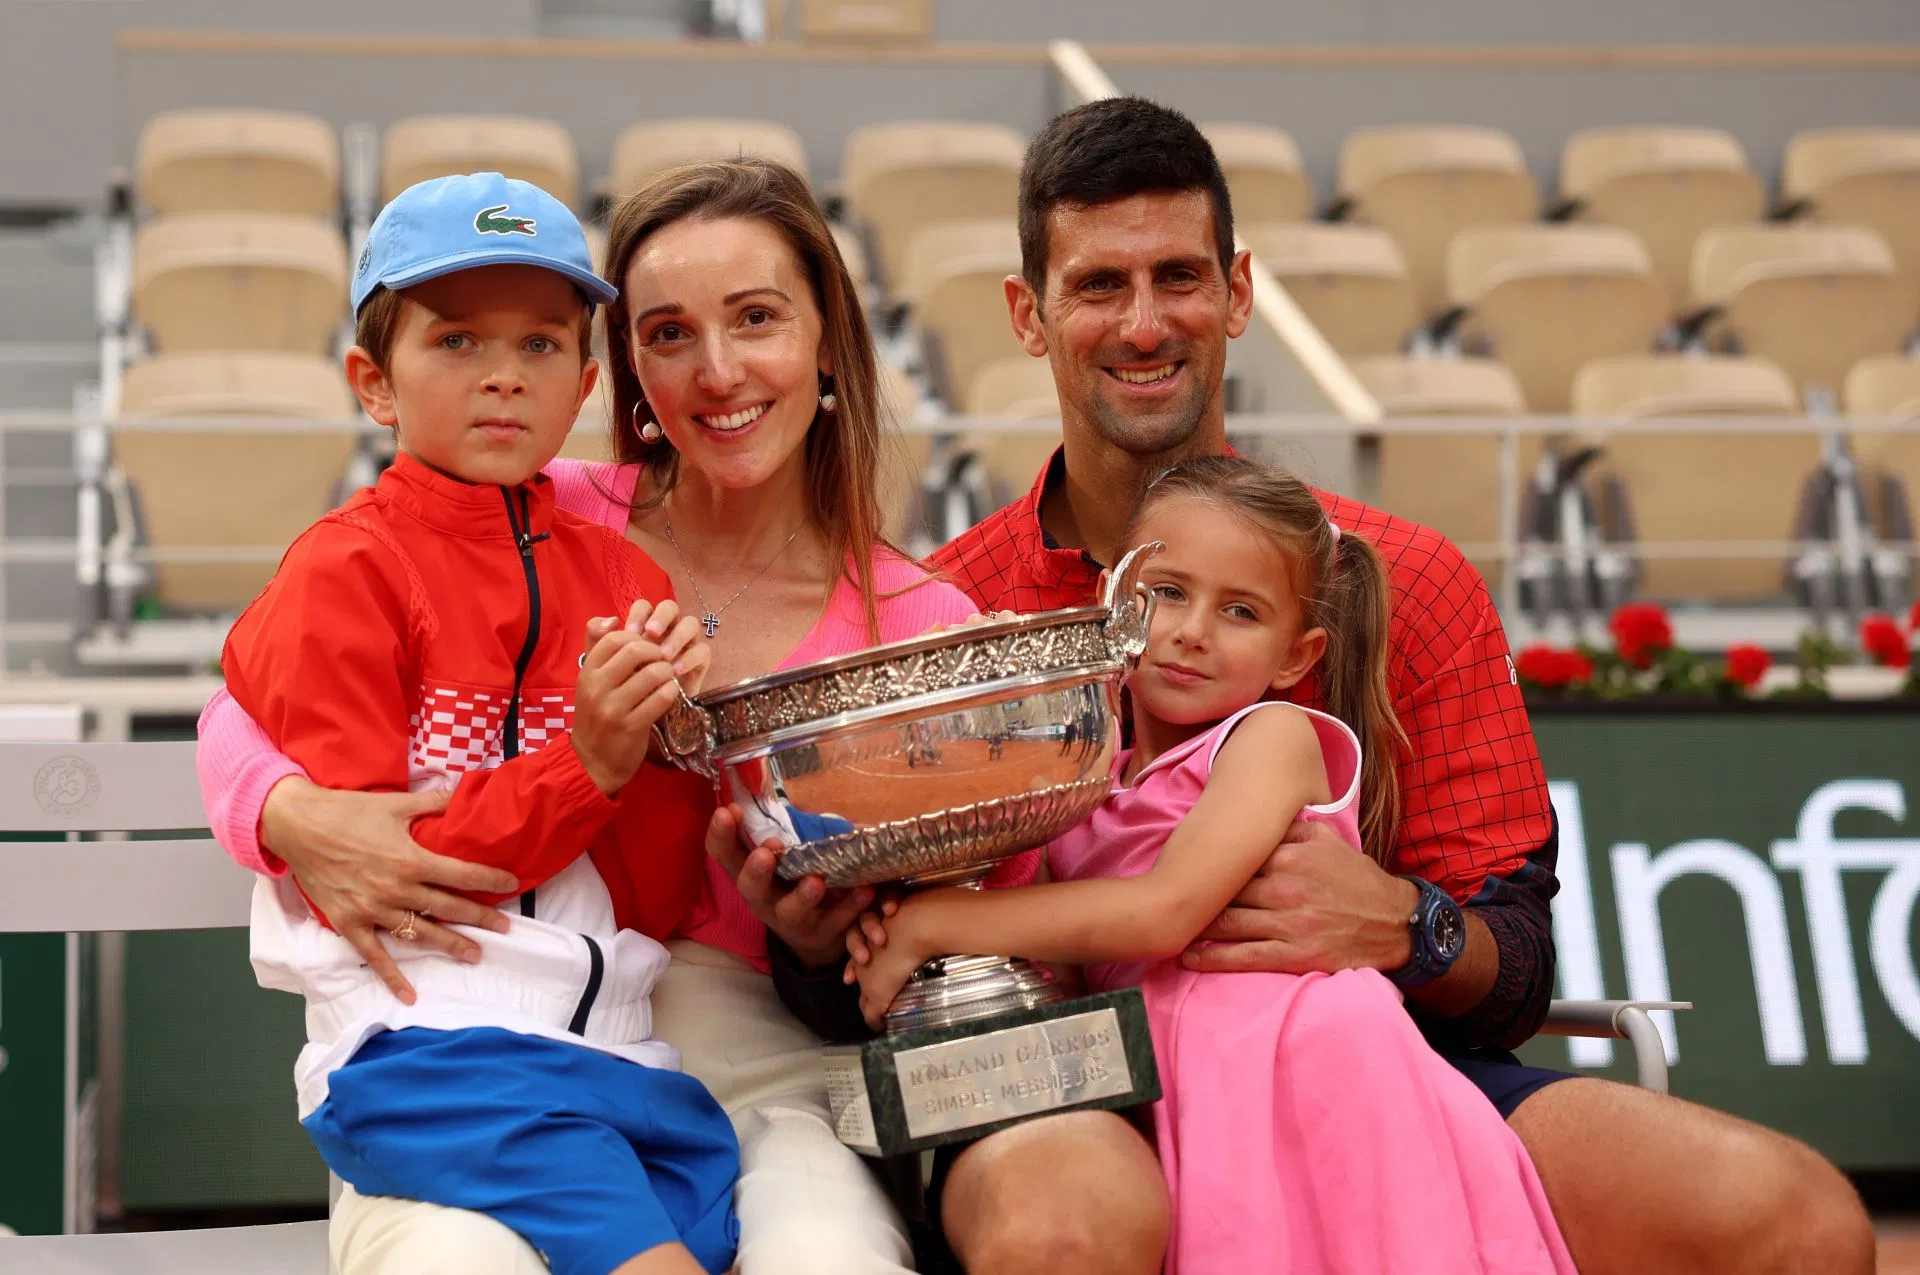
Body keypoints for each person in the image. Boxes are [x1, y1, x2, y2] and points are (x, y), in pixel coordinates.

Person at [764, 98, 1876, 1275]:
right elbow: (858, 985)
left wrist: (1403, 923)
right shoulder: (945, 605)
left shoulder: (1407, 578)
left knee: (1802, 1226)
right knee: (1063, 1231)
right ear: (1026, 315)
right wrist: (813, 940)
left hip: (1361, 1069)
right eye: (1097, 286)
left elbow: (1515, 971)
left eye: (1180, 277)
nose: (1144, 324)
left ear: (1239, 292)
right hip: (1065, 1091)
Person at [195, 159, 978, 1275]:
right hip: (461, 1028)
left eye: (757, 318)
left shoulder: (918, 619)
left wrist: (811, 937)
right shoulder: (526, 498)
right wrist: (284, 810)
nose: (717, 370)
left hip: (734, 1045)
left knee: (827, 1257)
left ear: (828, 343)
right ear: (629, 372)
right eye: (669, 333)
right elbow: (258, 688)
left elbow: (939, 927)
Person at [846, 455, 1577, 1274]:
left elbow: (1164, 913)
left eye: (1240, 611)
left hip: (1311, 1074)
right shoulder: (1088, 780)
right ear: (1113, 603)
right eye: (1167, 593)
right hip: (1182, 1087)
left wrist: (936, 923)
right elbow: (1065, 963)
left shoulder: (1272, 740)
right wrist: (911, 951)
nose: (1193, 630)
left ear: (1296, 656)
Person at [223, 171, 739, 1275]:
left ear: (585, 383)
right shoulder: (343, 570)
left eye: (541, 344)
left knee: (717, 1233)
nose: (503, 374)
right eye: (456, 340)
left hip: (621, 1057)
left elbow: (654, 894)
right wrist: (588, 761)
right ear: (374, 382)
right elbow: (392, 881)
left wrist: (664, 750)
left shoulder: (625, 577)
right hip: (428, 1055)